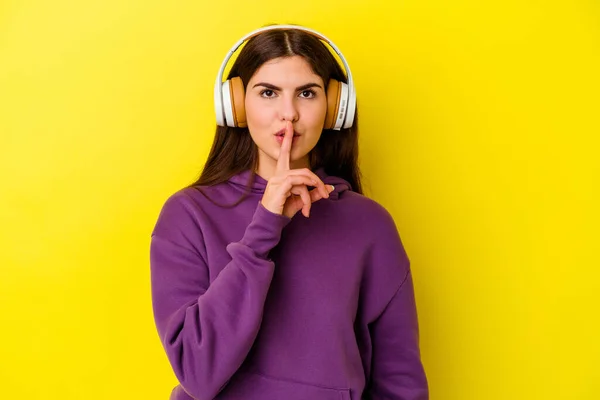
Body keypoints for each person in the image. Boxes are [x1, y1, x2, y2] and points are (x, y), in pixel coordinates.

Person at [150, 24, 429, 400]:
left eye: (307, 93)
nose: (289, 114)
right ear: (236, 105)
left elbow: (400, 383)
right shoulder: (188, 215)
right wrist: (265, 226)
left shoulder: (369, 225)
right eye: (268, 93)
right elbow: (198, 373)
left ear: (333, 108)